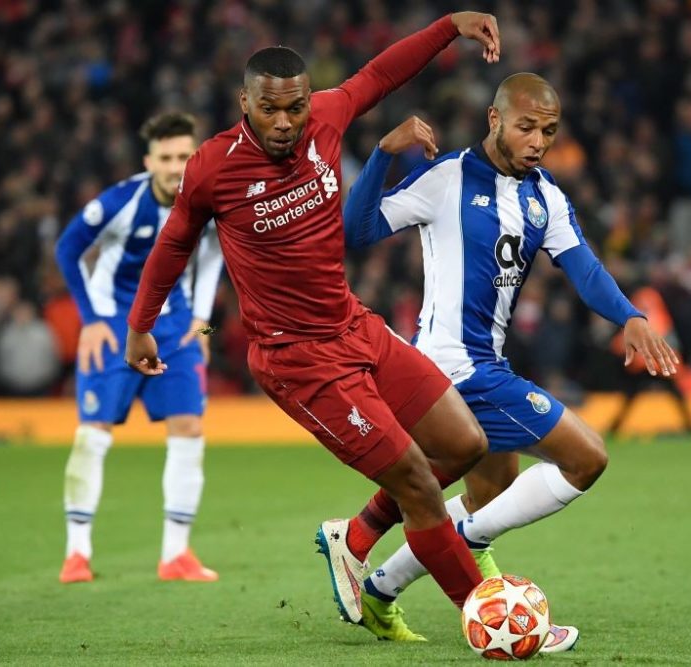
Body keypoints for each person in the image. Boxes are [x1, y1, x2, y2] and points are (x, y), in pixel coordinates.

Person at [124, 13, 502, 627]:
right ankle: (487, 618)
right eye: (270, 110)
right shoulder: (213, 168)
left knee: (464, 444)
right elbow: (173, 245)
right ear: (244, 102)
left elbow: (380, 73)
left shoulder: (327, 116)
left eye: (294, 109)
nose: (284, 123)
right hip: (297, 360)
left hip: (354, 327)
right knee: (417, 482)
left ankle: (352, 539)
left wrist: (450, 25)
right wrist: (142, 324)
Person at [339, 74, 680, 649]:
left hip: (486, 363)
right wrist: (380, 156)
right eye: (527, 127)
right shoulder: (447, 178)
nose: (539, 141)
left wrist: (630, 316)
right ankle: (465, 554)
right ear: (495, 120)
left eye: (549, 130)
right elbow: (358, 229)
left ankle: (380, 588)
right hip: (453, 369)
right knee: (586, 458)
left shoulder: (545, 197)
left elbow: (585, 271)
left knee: (488, 496)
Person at [54, 112, 224, 583]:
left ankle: (176, 555)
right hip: (112, 325)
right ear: (149, 160)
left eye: (184, 156)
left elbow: (214, 255)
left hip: (175, 327)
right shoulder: (121, 201)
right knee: (94, 431)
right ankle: (77, 553)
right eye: (166, 158)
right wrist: (89, 322)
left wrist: (203, 324)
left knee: (190, 428)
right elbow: (67, 248)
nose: (175, 167)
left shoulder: (208, 201)